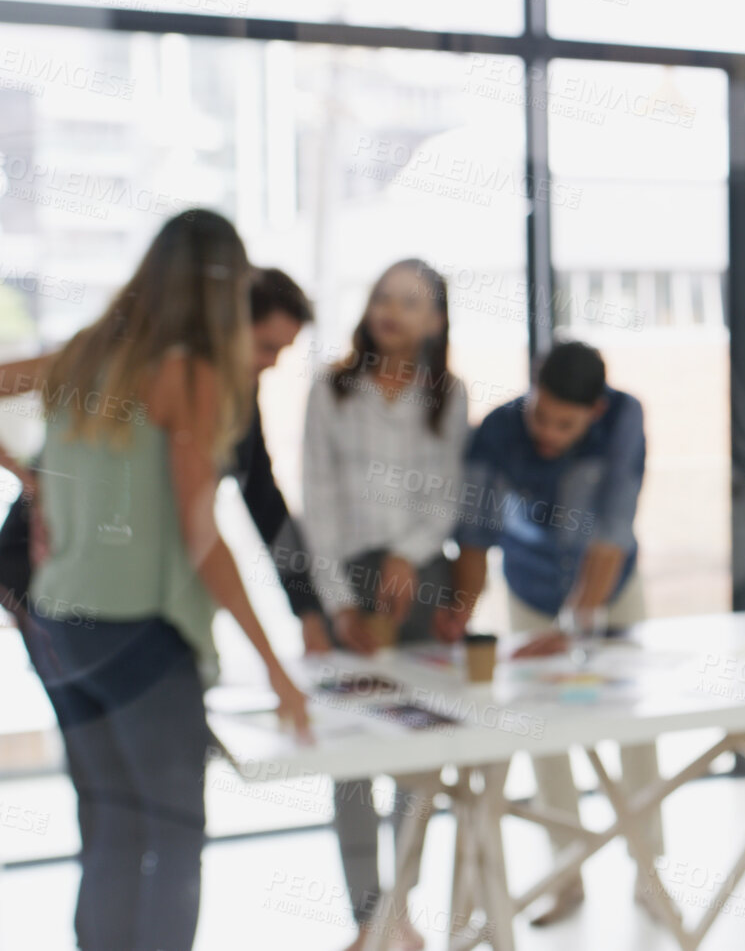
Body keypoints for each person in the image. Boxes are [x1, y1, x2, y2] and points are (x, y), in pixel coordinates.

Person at [8, 209, 312, 951]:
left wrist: (34, 480)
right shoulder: (192, 372)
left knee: (109, 828)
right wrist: (277, 666)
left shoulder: (83, 353)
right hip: (140, 635)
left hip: (61, 626)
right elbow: (201, 541)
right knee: (173, 836)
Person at [447, 339, 662, 924]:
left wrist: (577, 626)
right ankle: (564, 876)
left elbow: (613, 526)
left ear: (593, 412)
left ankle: (650, 873)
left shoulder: (624, 417)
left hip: (610, 590)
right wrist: (454, 627)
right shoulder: (496, 430)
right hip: (532, 595)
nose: (546, 431)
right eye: (540, 413)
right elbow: (473, 536)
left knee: (633, 728)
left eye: (563, 424)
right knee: (544, 730)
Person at [0, 267, 322, 632]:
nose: (272, 363)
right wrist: (26, 479)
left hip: (124, 600)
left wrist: (307, 610)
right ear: (226, 328)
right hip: (51, 573)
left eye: (282, 351)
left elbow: (261, 496)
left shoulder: (236, 396)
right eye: (266, 346)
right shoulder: (128, 369)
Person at [302, 257, 469, 951]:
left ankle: (400, 905)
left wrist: (407, 553)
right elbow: (317, 499)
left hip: (422, 575)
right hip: (349, 580)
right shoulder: (332, 389)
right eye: (381, 298)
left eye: (409, 301)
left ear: (435, 319)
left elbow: (450, 491)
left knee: (416, 750)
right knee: (353, 755)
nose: (391, 311)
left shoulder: (447, 393)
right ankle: (364, 915)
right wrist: (339, 601)